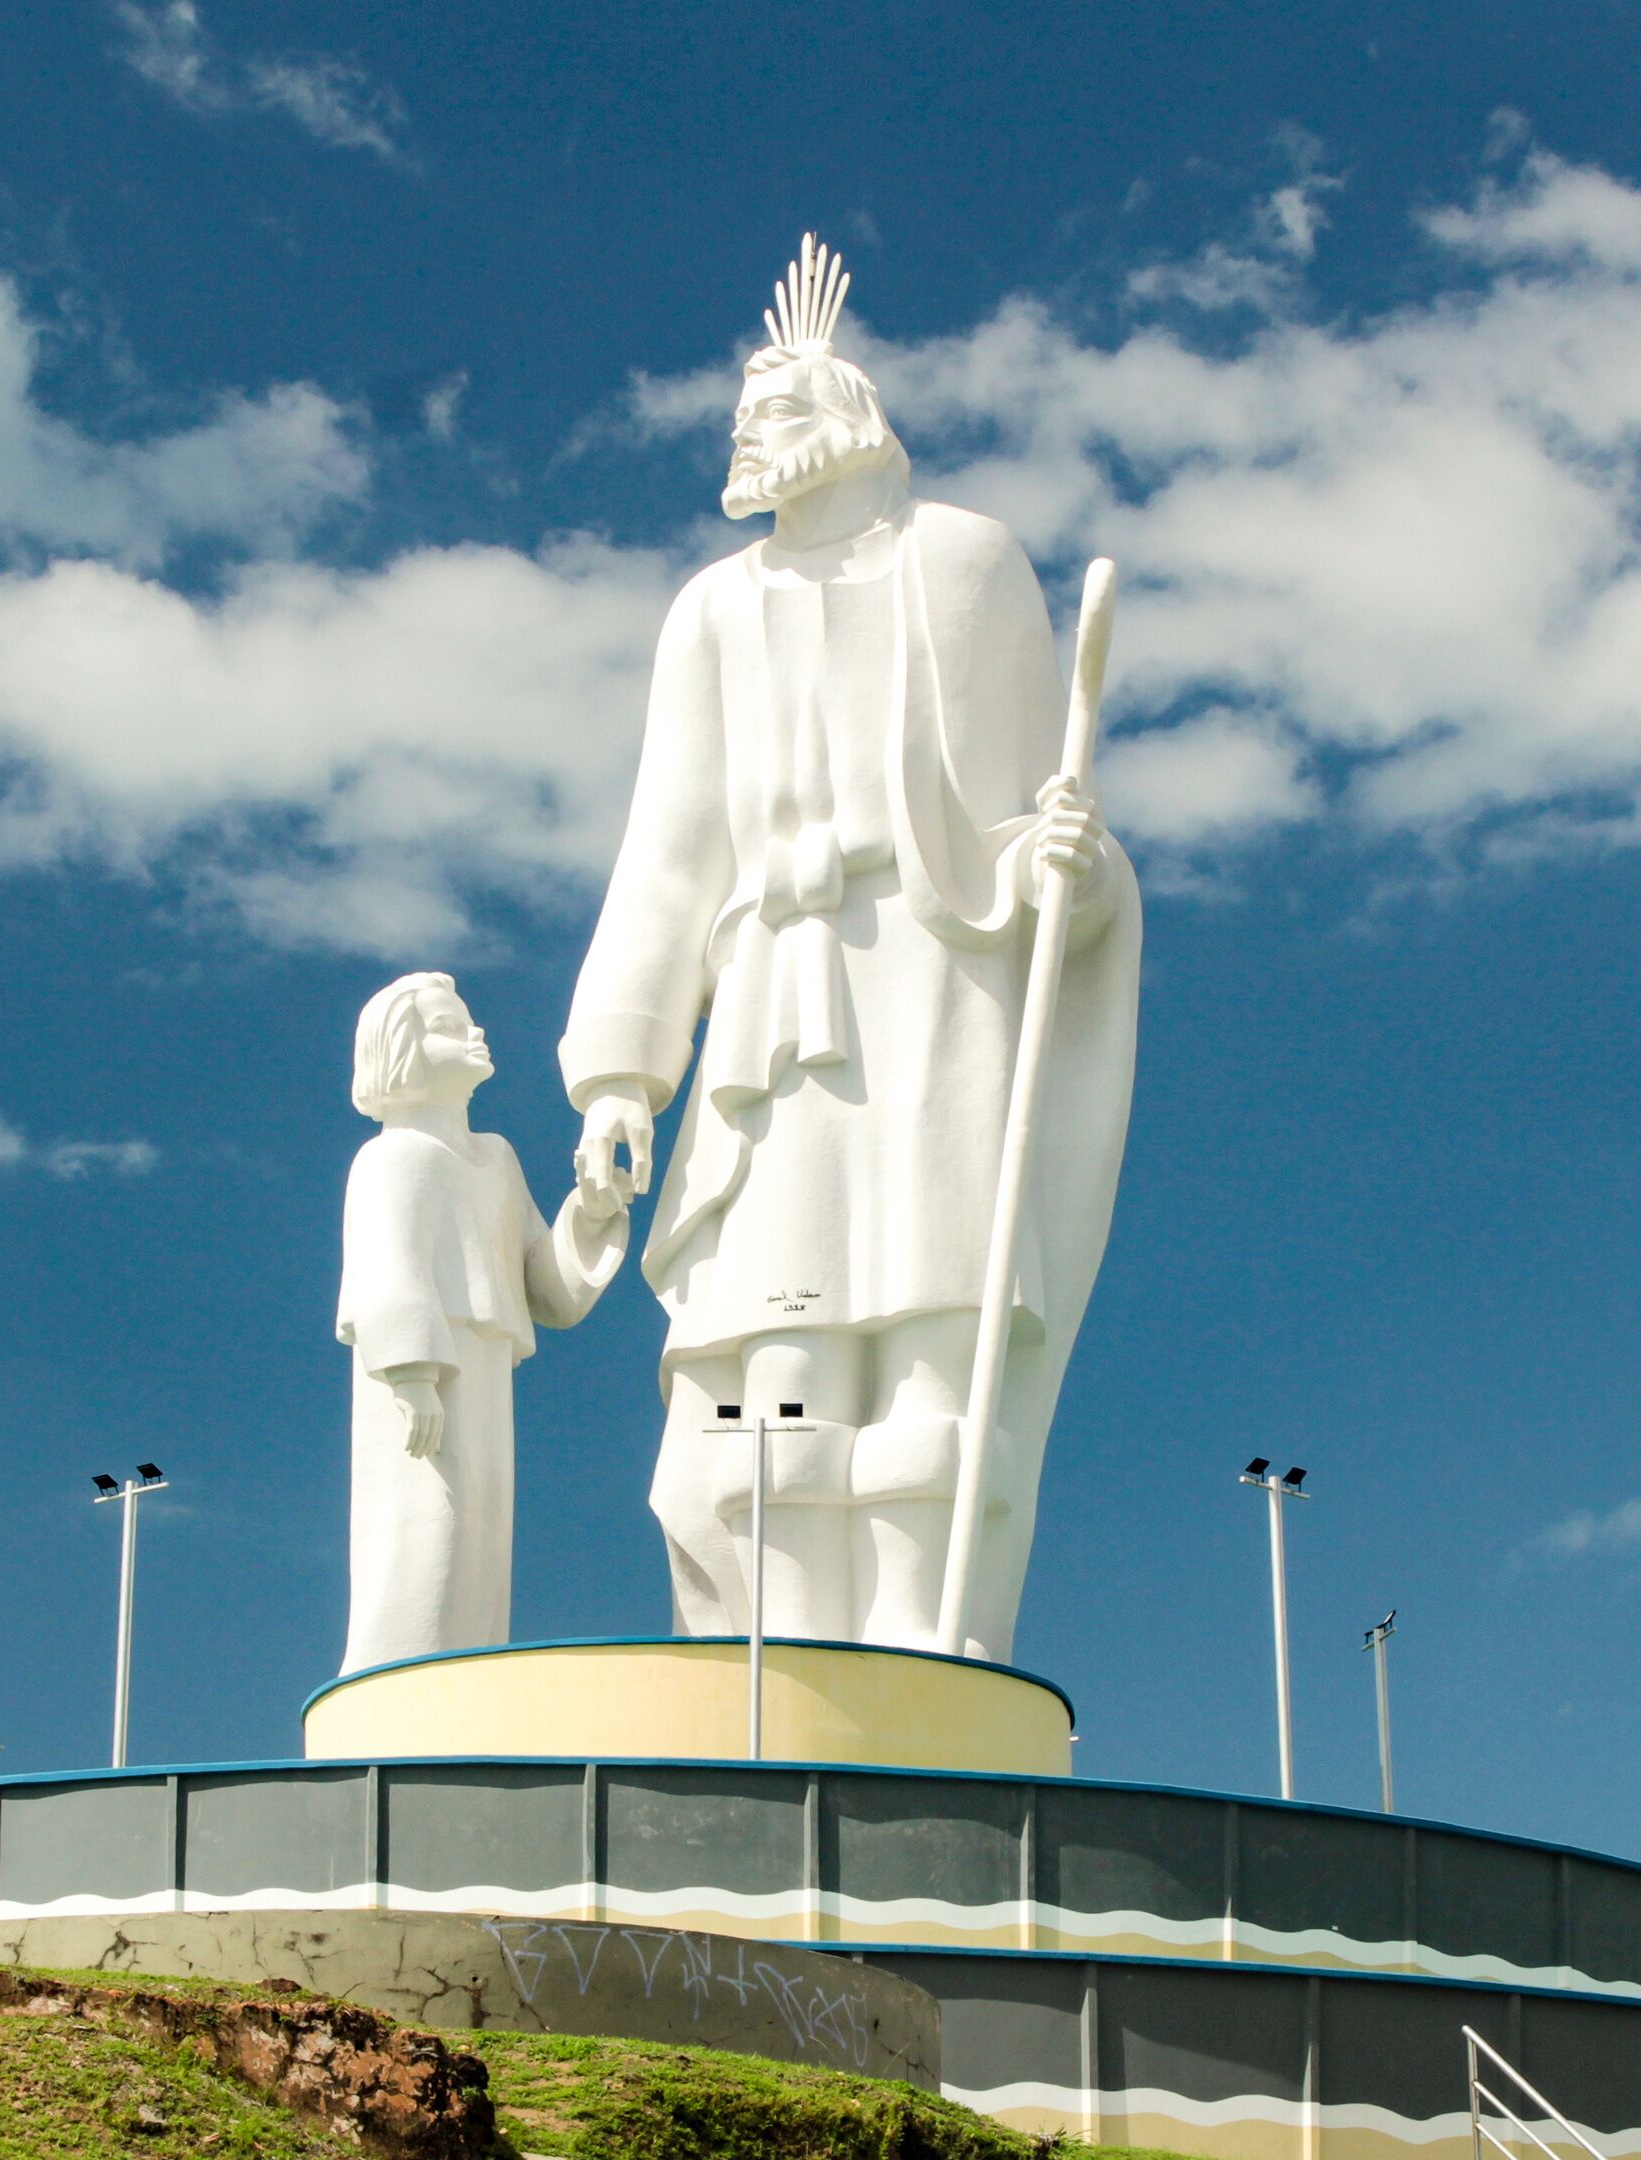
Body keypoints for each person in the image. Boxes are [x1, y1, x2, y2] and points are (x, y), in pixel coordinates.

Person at [561, 238, 1140, 1659]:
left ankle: (921, 1657)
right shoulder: (710, 609)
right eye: (743, 417)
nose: (753, 435)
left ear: (854, 415)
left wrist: (1073, 865)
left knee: (932, 1331)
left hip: (929, 979)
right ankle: (782, 1652)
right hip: (772, 1003)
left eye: (780, 408)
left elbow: (1020, 830)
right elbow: (672, 841)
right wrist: (623, 1070)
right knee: (778, 1343)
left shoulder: (962, 560)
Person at [335, 972, 626, 1672]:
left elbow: (545, 1288)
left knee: (482, 1538)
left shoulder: (496, 1158)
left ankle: (463, 1676)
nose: (473, 1033)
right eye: (444, 1025)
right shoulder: (391, 1157)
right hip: (423, 1379)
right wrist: (413, 1374)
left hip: (486, 1366)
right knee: (425, 1529)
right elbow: (387, 1269)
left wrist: (589, 1212)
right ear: (397, 1054)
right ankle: (392, 1676)